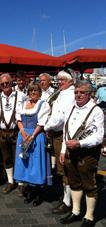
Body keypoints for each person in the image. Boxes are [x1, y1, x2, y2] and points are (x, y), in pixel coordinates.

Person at [59, 80, 104, 227]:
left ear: (90, 94)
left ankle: (89, 217)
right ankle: (76, 211)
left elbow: (98, 137)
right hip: (71, 152)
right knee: (74, 182)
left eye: (82, 92)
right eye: (76, 92)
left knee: (89, 184)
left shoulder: (96, 110)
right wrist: (63, 150)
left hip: (87, 153)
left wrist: (79, 143)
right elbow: (66, 131)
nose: (78, 95)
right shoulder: (71, 107)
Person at [14, 83, 51, 205]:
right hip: (23, 135)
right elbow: (18, 119)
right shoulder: (24, 104)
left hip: (36, 136)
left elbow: (41, 123)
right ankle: (29, 191)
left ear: (40, 92)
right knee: (25, 163)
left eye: (35, 90)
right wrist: (23, 134)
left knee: (36, 163)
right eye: (31, 91)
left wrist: (32, 136)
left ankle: (38, 194)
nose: (33, 93)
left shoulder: (43, 104)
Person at [44, 70, 75, 214]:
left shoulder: (69, 94)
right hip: (56, 133)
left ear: (70, 80)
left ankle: (67, 202)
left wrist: (47, 126)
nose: (60, 82)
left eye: (63, 79)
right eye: (59, 79)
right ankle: (66, 198)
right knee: (62, 169)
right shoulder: (62, 93)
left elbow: (61, 117)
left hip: (61, 134)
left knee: (64, 169)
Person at [0, 73, 25, 195]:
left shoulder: (21, 96)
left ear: (12, 82)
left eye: (7, 83)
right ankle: (11, 181)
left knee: (19, 157)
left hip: (16, 131)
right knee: (6, 157)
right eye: (2, 84)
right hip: (1, 131)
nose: (5, 85)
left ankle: (21, 183)